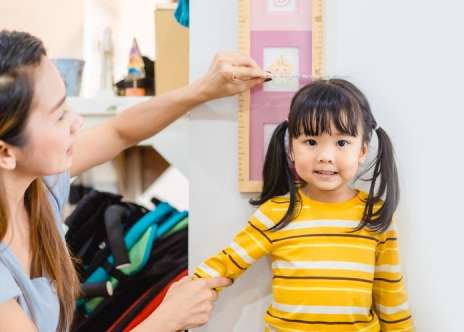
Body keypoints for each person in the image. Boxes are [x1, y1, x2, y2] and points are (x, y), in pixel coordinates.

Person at [0, 30, 270, 332]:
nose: (77, 122)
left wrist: (202, 90)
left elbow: (119, 132)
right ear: (6, 152)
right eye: (59, 115)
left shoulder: (37, 188)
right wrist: (165, 319)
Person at [194, 79, 414, 331]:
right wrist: (189, 291)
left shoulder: (376, 214)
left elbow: (390, 291)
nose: (325, 156)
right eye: (310, 142)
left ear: (363, 150)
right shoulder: (276, 213)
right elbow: (228, 262)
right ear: (291, 148)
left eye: (342, 143)